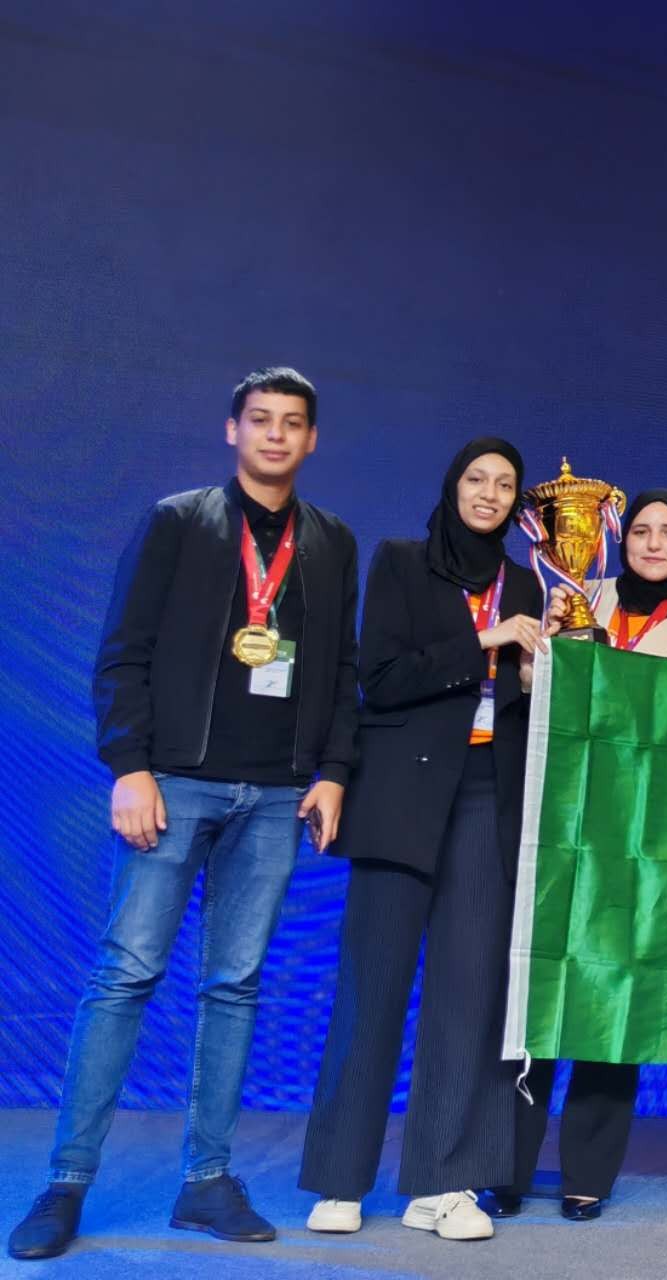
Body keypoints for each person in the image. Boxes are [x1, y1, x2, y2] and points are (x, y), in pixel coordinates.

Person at [7, 368, 359, 1263]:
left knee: (235, 985)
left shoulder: (331, 541)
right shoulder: (177, 521)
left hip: (276, 796)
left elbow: (339, 670)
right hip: (174, 783)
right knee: (125, 976)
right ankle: (66, 1183)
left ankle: (206, 1181)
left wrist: (332, 772)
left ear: (311, 439)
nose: (275, 434)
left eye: (292, 423)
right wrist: (130, 767)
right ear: (232, 430)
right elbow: (122, 652)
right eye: (260, 420)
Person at [298, 438, 544, 1243]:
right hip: (400, 792)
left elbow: (522, 702)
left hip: (486, 793)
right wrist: (483, 643)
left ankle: (443, 1183)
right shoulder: (402, 562)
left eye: (504, 485)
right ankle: (340, 1181)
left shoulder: (526, 584)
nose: (489, 493)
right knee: (371, 989)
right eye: (477, 478)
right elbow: (381, 677)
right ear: (452, 484)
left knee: (469, 996)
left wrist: (534, 679)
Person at [505, 489, 667, 1223]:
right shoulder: (579, 596)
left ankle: (588, 1173)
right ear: (620, 538)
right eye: (640, 529)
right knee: (541, 988)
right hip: (563, 818)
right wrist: (549, 644)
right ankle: (503, 1165)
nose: (653, 542)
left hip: (644, 838)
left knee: (614, 997)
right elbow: (533, 688)